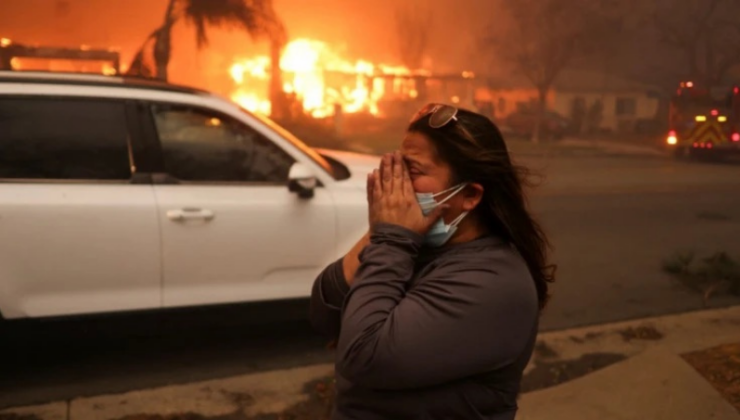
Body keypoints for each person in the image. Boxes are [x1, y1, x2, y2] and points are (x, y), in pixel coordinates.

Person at [310, 104, 555, 420]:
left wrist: (391, 236)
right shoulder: (409, 245)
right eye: (395, 168)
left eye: (411, 172)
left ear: (469, 194)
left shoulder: (494, 282)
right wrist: (381, 230)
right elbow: (323, 310)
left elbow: (363, 356)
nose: (395, 184)